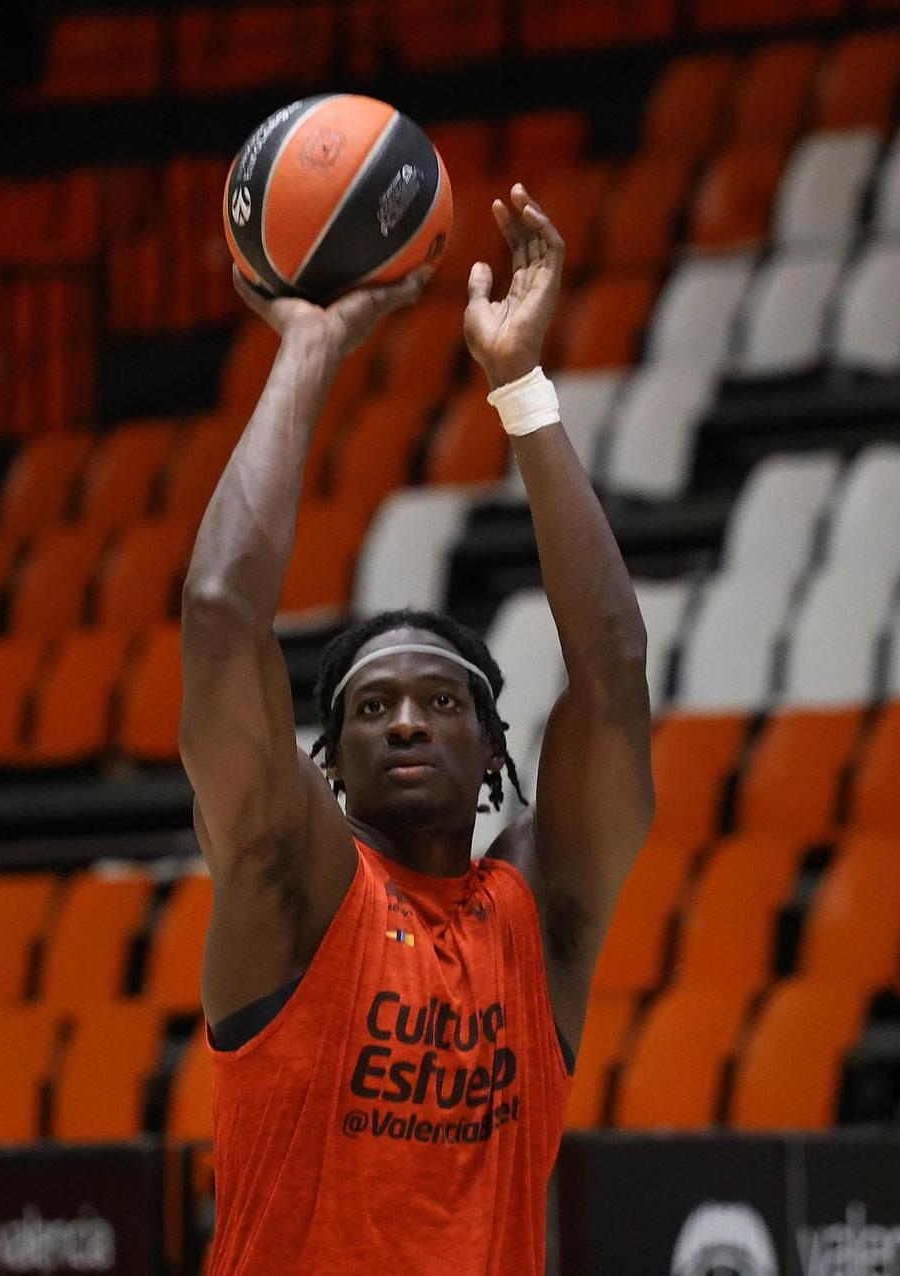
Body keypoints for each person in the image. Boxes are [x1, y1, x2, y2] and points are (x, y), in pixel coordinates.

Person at [180, 184, 655, 1273]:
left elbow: (614, 670)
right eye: (369, 707)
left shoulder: (538, 922)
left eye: (442, 702)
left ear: (495, 752)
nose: (405, 721)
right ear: (327, 764)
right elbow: (217, 616)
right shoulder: (294, 889)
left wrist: (520, 387)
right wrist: (311, 341)